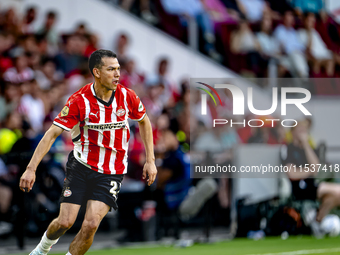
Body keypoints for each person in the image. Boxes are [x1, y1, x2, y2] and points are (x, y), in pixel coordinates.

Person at [19, 49, 157, 255]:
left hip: (111, 171)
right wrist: (31, 169)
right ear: (97, 72)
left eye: (118, 69)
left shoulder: (127, 96)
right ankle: (41, 250)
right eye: (111, 69)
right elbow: (51, 134)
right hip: (81, 167)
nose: (117, 74)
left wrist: (150, 160)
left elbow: (145, 122)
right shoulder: (79, 101)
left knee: (91, 224)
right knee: (65, 221)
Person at [282, 121, 340, 233]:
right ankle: (318, 220)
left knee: (334, 196)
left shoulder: (307, 149)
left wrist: (305, 143)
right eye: (300, 130)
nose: (303, 133)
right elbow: (292, 174)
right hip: (300, 188)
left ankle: (318, 220)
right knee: (338, 191)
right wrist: (309, 171)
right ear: (293, 132)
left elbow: (316, 167)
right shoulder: (289, 149)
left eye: (305, 131)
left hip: (312, 185)